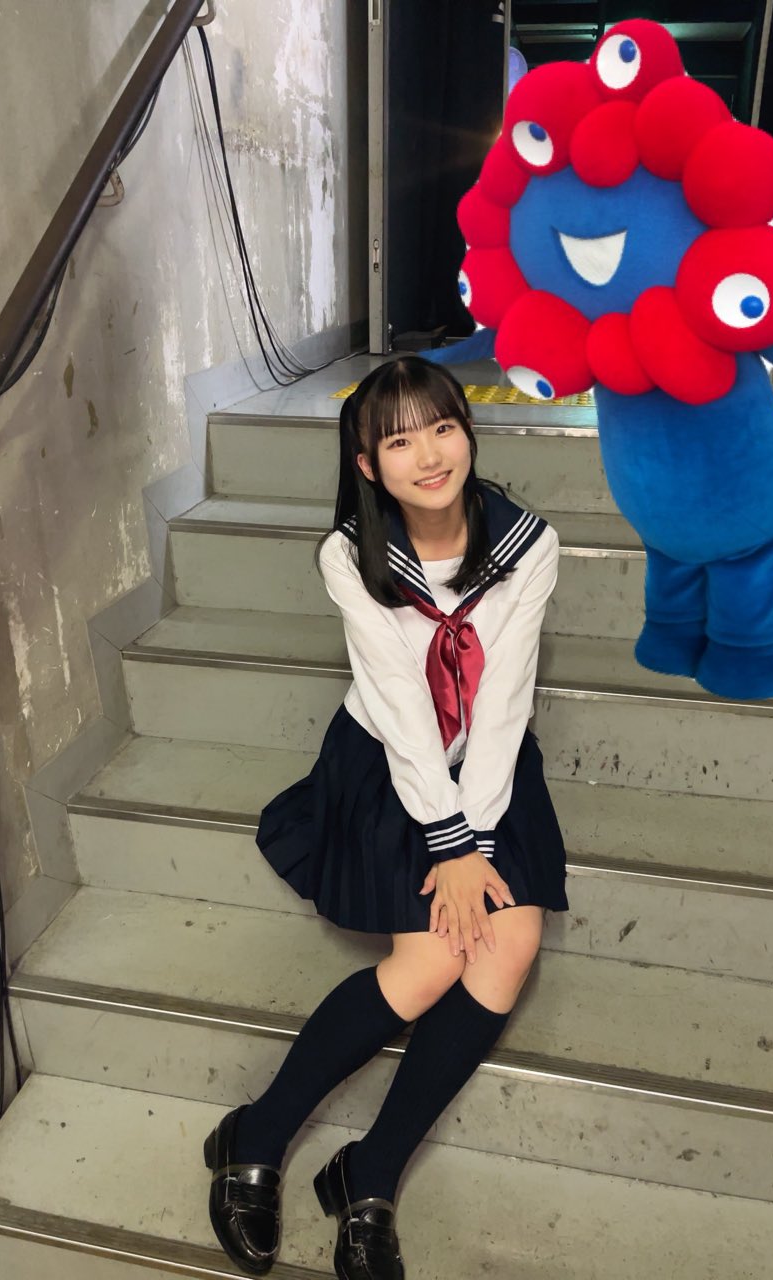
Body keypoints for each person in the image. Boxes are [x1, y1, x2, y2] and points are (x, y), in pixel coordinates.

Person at [204, 356, 567, 1279]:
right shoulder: (349, 555)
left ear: (468, 431)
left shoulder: (529, 545)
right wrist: (449, 844)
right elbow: (405, 706)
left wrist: (478, 838)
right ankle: (260, 1134)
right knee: (436, 955)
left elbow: (504, 701)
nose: (429, 455)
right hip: (385, 760)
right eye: (399, 441)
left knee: (510, 944)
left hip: (488, 763)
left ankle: (370, 1172)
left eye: (442, 428)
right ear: (368, 464)